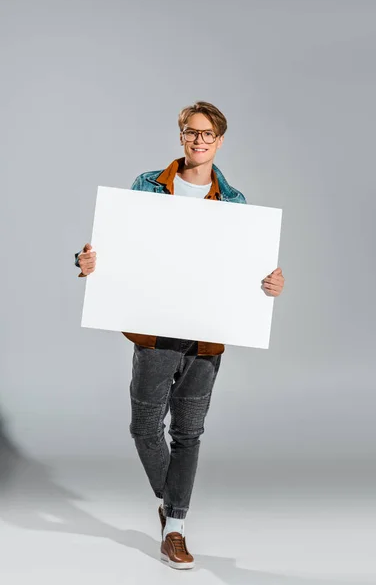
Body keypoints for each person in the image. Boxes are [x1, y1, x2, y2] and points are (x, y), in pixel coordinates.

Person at [75, 101, 285, 570]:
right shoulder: (147, 187)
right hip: (156, 331)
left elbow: (245, 272)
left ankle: (174, 528)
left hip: (206, 337)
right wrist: (86, 261)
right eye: (191, 132)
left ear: (220, 141)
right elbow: (111, 247)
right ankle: (174, 506)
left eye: (207, 134)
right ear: (181, 136)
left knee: (188, 433)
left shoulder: (234, 204)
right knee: (145, 427)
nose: (198, 141)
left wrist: (269, 284)